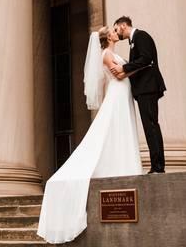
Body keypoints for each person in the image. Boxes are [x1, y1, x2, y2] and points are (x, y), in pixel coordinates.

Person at [36, 26, 142, 244]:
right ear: (107, 38)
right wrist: (140, 66)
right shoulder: (105, 54)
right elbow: (119, 73)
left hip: (123, 95)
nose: (116, 32)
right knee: (110, 128)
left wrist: (131, 67)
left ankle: (126, 165)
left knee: (120, 128)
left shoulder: (112, 53)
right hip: (117, 93)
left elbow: (123, 70)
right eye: (113, 31)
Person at [112, 15, 165, 173]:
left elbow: (146, 59)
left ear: (123, 26)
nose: (116, 33)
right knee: (150, 127)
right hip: (144, 90)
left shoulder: (141, 36)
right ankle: (156, 166)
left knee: (151, 127)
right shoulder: (133, 41)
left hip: (148, 88)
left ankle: (158, 167)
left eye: (116, 29)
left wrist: (124, 68)